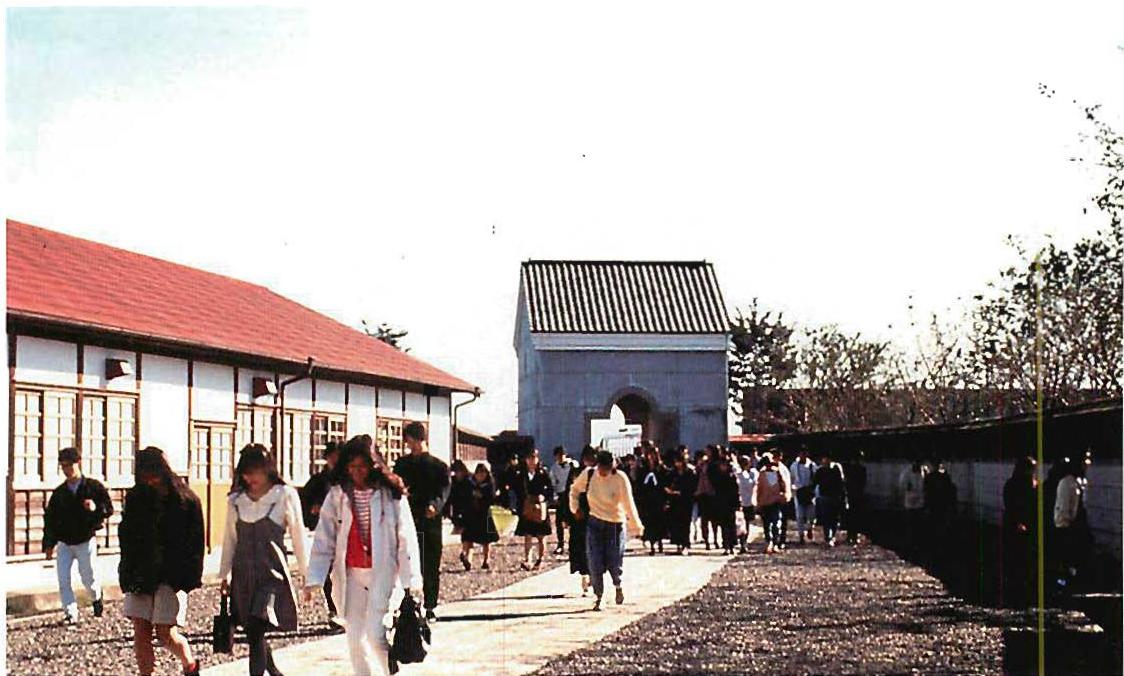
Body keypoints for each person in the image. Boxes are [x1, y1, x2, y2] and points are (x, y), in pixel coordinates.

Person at [306, 435, 422, 676]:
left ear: (374, 465)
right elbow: (324, 538)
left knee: (375, 633)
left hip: (383, 573)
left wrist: (411, 580)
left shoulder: (391, 494)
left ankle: (389, 669)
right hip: (351, 575)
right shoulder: (338, 495)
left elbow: (406, 538)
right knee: (355, 638)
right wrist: (314, 578)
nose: (356, 472)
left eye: (362, 466)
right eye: (351, 466)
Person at [218, 445, 307, 676]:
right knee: (253, 630)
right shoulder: (236, 501)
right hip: (243, 575)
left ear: (268, 469)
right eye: (246, 473)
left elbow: (298, 536)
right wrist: (224, 574)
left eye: (255, 471)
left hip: (272, 575)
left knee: (258, 626)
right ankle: (274, 671)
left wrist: (308, 575)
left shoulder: (284, 495)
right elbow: (230, 539)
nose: (250, 478)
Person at [118, 447, 204, 676]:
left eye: (153, 475)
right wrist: (125, 571)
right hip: (140, 572)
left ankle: (189, 663)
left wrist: (191, 576)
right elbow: (126, 537)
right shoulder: (136, 498)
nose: (150, 481)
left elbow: (196, 542)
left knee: (165, 632)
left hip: (172, 575)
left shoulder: (186, 500)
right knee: (141, 629)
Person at [42, 446, 113, 625]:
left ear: (78, 463)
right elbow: (50, 520)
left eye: (69, 465)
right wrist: (49, 544)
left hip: (85, 539)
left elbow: (108, 508)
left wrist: (96, 508)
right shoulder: (59, 493)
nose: (66, 469)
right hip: (64, 541)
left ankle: (96, 597)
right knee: (63, 578)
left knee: (88, 576)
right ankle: (70, 613)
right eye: (63, 466)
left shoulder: (93, 487)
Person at [569, 451, 643, 611]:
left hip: (615, 524)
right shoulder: (589, 474)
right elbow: (574, 490)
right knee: (594, 561)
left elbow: (628, 502)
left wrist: (635, 525)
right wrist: (574, 508)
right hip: (594, 522)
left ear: (612, 466)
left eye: (607, 469)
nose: (603, 472)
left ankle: (618, 585)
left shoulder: (620, 478)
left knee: (614, 562)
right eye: (601, 468)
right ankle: (599, 597)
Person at [392, 421, 449, 622]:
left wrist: (435, 505)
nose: (408, 444)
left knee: (430, 563)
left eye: (409, 440)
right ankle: (406, 604)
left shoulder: (439, 466)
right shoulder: (402, 465)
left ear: (418, 439)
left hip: (429, 521)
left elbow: (443, 491)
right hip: (406, 520)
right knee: (404, 561)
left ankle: (430, 605)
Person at [300, 440, 342, 626]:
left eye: (336, 456)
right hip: (326, 531)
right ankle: (333, 609)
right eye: (331, 457)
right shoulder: (319, 480)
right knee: (327, 572)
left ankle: (346, 609)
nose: (333, 460)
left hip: (347, 531)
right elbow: (305, 499)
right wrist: (313, 510)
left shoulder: (348, 479)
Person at [1002, 456, 1039, 606]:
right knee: (1020, 557)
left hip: (1018, 524)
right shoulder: (1025, 485)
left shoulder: (1014, 484)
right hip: (1019, 524)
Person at [1053, 455, 1093, 593]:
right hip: (1067, 528)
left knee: (1071, 560)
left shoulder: (1076, 482)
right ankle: (1062, 585)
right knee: (1066, 560)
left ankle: (1068, 584)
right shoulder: (1067, 483)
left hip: (1072, 526)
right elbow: (1063, 508)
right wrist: (1065, 525)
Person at [453, 463, 500, 571]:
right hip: (471, 514)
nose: (480, 475)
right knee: (468, 538)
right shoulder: (469, 484)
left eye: (483, 473)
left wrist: (482, 496)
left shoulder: (489, 485)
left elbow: (492, 499)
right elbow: (464, 497)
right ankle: (467, 559)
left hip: (484, 514)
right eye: (478, 473)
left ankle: (486, 560)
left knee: (486, 540)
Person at [514, 448, 554, 570]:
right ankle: (528, 559)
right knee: (528, 535)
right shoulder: (521, 474)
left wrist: (545, 498)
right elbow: (517, 490)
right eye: (529, 458)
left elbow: (550, 489)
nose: (531, 461)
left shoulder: (543, 472)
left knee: (541, 535)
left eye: (534, 458)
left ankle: (540, 559)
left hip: (540, 506)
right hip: (527, 506)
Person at [566, 446, 598, 593]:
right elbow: (570, 493)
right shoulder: (576, 473)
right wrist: (570, 513)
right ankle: (584, 575)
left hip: (595, 513)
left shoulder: (600, 473)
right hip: (580, 515)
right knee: (580, 547)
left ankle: (593, 575)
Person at [755, 453, 791, 555]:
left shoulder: (778, 472)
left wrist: (785, 495)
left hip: (776, 501)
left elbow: (784, 485)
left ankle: (775, 543)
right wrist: (758, 502)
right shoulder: (761, 474)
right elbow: (759, 488)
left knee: (776, 523)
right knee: (766, 524)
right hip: (764, 501)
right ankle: (769, 542)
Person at [637, 446, 669, 555]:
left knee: (659, 522)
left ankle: (660, 543)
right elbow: (639, 484)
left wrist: (666, 500)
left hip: (658, 499)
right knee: (649, 523)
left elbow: (665, 483)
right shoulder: (643, 469)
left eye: (653, 454)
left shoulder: (661, 468)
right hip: (647, 500)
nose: (651, 457)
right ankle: (652, 545)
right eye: (649, 454)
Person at [665, 452, 698, 555]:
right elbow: (667, 483)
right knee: (676, 523)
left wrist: (681, 492)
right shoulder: (673, 472)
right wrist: (669, 491)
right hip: (675, 501)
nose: (678, 464)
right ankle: (678, 545)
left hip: (686, 500)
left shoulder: (690, 472)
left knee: (685, 523)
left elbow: (693, 486)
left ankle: (685, 544)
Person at [812, 454, 847, 547]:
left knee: (835, 518)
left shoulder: (836, 468)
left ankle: (832, 535)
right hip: (824, 496)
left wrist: (843, 496)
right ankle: (828, 537)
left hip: (835, 496)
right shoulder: (820, 470)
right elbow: (815, 482)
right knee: (826, 518)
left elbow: (841, 482)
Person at [549, 446, 577, 555]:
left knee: (572, 521)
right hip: (561, 495)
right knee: (559, 521)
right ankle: (560, 544)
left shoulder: (573, 465)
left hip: (572, 494)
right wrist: (555, 497)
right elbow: (553, 483)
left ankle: (572, 544)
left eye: (562, 455)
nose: (560, 458)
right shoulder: (554, 468)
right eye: (558, 456)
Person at [710, 455, 740, 555]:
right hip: (720, 503)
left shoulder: (732, 476)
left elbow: (736, 491)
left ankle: (731, 546)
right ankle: (726, 545)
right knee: (723, 526)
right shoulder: (717, 476)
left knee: (731, 525)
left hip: (730, 503)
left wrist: (737, 504)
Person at [923, 459, 957, 544]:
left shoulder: (929, 477)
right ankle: (942, 540)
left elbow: (926, 492)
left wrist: (926, 505)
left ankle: (934, 540)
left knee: (933, 523)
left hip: (933, 504)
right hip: (943, 503)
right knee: (942, 522)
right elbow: (950, 490)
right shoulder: (945, 477)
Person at [789, 448, 817, 543]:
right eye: (801, 453)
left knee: (811, 515)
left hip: (810, 492)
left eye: (805, 453)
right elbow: (791, 478)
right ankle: (801, 535)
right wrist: (792, 489)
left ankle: (810, 528)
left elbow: (816, 479)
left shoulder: (812, 465)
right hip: (799, 492)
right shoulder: (794, 466)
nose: (803, 455)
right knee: (800, 515)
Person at [899, 460, 927, 551]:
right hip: (910, 504)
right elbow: (902, 486)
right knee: (910, 526)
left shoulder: (924, 471)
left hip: (920, 504)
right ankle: (910, 545)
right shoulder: (906, 473)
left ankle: (917, 544)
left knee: (918, 526)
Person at [693, 447, 717, 549]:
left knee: (714, 520)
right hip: (701, 494)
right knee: (704, 519)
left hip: (712, 494)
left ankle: (715, 539)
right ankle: (706, 540)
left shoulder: (714, 465)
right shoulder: (699, 466)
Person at [843, 451, 868, 545]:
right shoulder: (860, 469)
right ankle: (853, 535)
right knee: (854, 516)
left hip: (854, 494)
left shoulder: (854, 469)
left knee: (853, 516)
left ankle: (852, 535)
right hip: (854, 494)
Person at [736, 455, 759, 554]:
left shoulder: (753, 473)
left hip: (750, 502)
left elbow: (755, 485)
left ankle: (744, 542)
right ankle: (741, 542)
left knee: (747, 524)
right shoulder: (737, 474)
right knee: (740, 524)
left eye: (746, 463)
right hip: (739, 502)